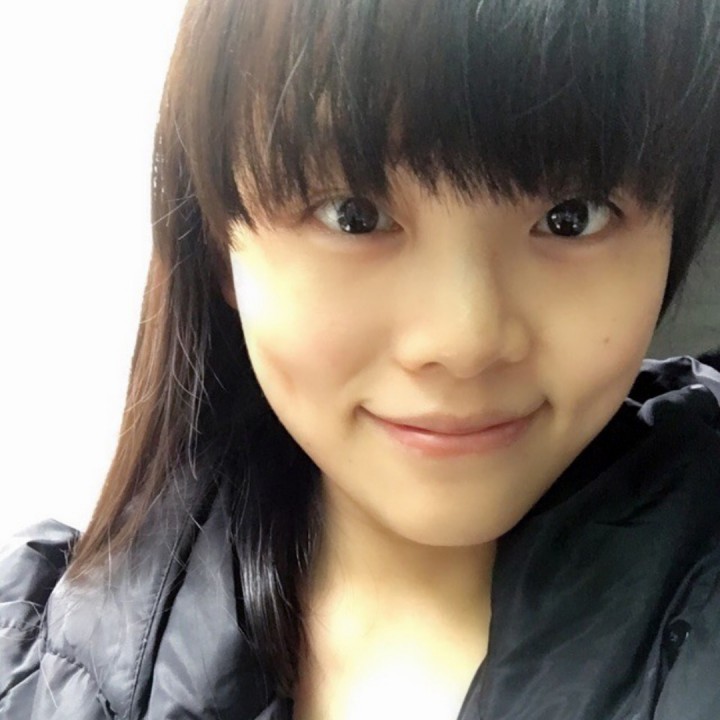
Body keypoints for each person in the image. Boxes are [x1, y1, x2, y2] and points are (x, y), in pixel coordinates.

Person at [1, 1, 720, 718]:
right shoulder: (36, 669)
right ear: (219, 243)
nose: (464, 342)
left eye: (572, 217)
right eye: (353, 214)